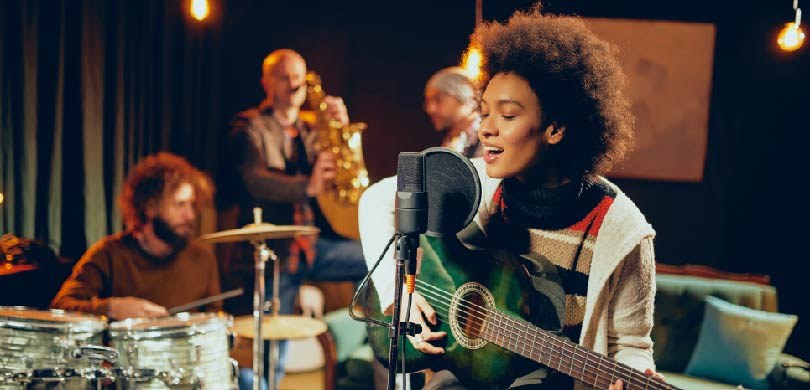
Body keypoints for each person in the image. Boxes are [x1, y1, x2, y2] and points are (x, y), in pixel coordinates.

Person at [359, 8, 665, 389]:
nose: (486, 129)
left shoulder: (623, 232)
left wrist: (635, 374)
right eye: (484, 112)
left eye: (507, 115)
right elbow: (375, 200)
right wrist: (397, 296)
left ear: (556, 128)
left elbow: (631, 346)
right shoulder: (479, 184)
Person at [228, 48, 368, 389]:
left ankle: (378, 339)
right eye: (285, 76)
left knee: (378, 257)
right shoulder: (249, 127)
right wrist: (308, 185)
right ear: (266, 83)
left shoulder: (311, 127)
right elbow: (254, 181)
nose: (294, 84)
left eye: (299, 77)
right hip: (277, 255)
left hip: (314, 245)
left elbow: (344, 172)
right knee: (272, 358)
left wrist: (341, 126)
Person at [51, 152, 221, 320]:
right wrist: (111, 308)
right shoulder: (109, 253)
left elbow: (216, 321)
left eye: (191, 204)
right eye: (179, 205)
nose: (190, 215)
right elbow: (60, 306)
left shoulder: (203, 259)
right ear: (149, 206)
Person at [424, 67, 482, 158]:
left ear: (462, 95)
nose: (430, 109)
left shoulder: (487, 135)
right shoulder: (450, 142)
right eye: (428, 102)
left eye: (438, 99)